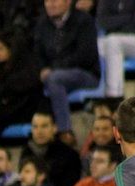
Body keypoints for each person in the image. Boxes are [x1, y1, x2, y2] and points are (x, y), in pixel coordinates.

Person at [33, 0, 100, 146]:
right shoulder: (42, 23)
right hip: (53, 75)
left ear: (68, 2)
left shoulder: (84, 20)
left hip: (85, 73)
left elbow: (85, 56)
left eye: (55, 0)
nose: (50, 4)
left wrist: (54, 68)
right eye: (47, 1)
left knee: (55, 78)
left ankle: (64, 131)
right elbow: (38, 53)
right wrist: (42, 69)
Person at [97, 1, 135, 99]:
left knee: (113, 41)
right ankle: (95, 94)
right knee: (93, 44)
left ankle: (115, 96)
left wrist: (115, 24)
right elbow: (102, 22)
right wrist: (128, 17)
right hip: (113, 40)